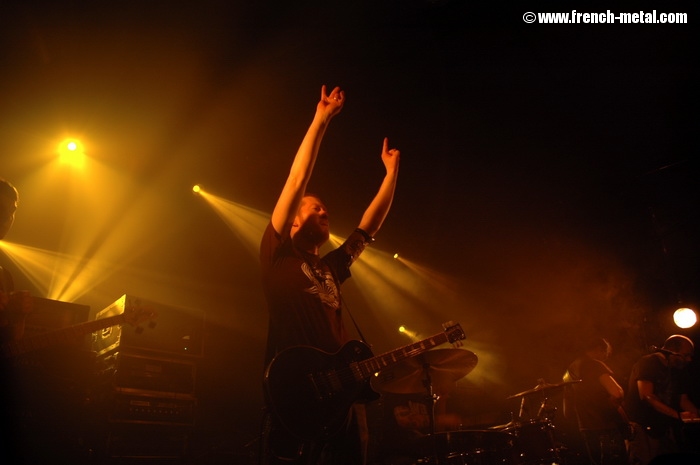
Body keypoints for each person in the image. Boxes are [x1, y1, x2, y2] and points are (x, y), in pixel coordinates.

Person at [259, 85, 400, 465]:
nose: (324, 212)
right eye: (314, 208)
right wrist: (321, 119)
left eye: (325, 208)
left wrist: (391, 174)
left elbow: (368, 228)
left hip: (343, 393)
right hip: (298, 391)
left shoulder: (332, 268)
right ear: (292, 222)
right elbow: (297, 180)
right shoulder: (277, 253)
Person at [625, 335, 699, 465]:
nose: (689, 359)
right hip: (643, 426)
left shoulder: (678, 369)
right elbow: (647, 396)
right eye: (686, 355)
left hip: (665, 427)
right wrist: (678, 415)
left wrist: (697, 414)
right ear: (671, 351)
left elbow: (683, 400)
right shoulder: (648, 363)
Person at [563, 337, 630, 465]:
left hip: (586, 428)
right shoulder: (594, 364)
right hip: (606, 426)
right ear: (600, 349)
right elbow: (616, 393)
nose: (605, 358)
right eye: (605, 353)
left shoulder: (568, 372)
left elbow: (567, 412)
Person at [1, 178, 31, 344]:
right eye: (0, 208)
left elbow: (13, 341)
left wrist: (19, 316)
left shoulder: (4, 277)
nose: (7, 217)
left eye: (12, 211)